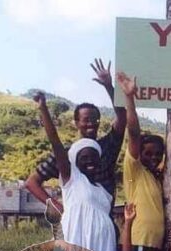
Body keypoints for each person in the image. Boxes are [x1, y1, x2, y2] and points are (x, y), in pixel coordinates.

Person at [35, 92, 119, 251]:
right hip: (76, 240)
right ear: (74, 160)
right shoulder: (71, 180)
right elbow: (56, 143)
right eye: (84, 157)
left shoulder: (104, 190)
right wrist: (43, 109)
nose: (90, 161)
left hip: (102, 246)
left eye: (93, 157)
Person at [25, 58, 126, 219]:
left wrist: (109, 86)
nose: (91, 124)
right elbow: (31, 182)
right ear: (76, 123)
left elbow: (122, 117)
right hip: (76, 223)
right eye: (86, 120)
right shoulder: (66, 156)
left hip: (105, 220)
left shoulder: (107, 146)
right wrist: (59, 207)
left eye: (95, 119)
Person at [117, 72, 166, 249]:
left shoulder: (157, 177)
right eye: (148, 153)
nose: (154, 157)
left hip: (156, 246)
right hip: (137, 242)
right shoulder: (134, 172)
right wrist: (129, 98)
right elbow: (134, 133)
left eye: (158, 154)